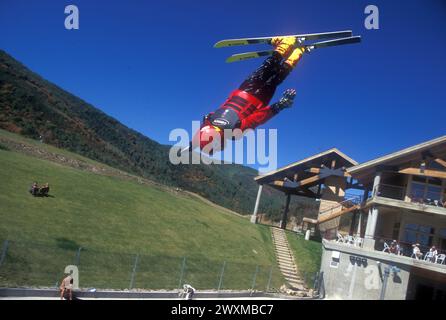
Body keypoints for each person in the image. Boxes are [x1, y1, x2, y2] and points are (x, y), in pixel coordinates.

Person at [192, 37, 304, 153]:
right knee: (269, 71)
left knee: (273, 75)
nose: (220, 146)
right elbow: (257, 118)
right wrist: (279, 106)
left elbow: (258, 119)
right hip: (247, 94)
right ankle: (290, 48)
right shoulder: (209, 123)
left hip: (253, 97)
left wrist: (279, 106)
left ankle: (295, 51)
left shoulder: (230, 131)